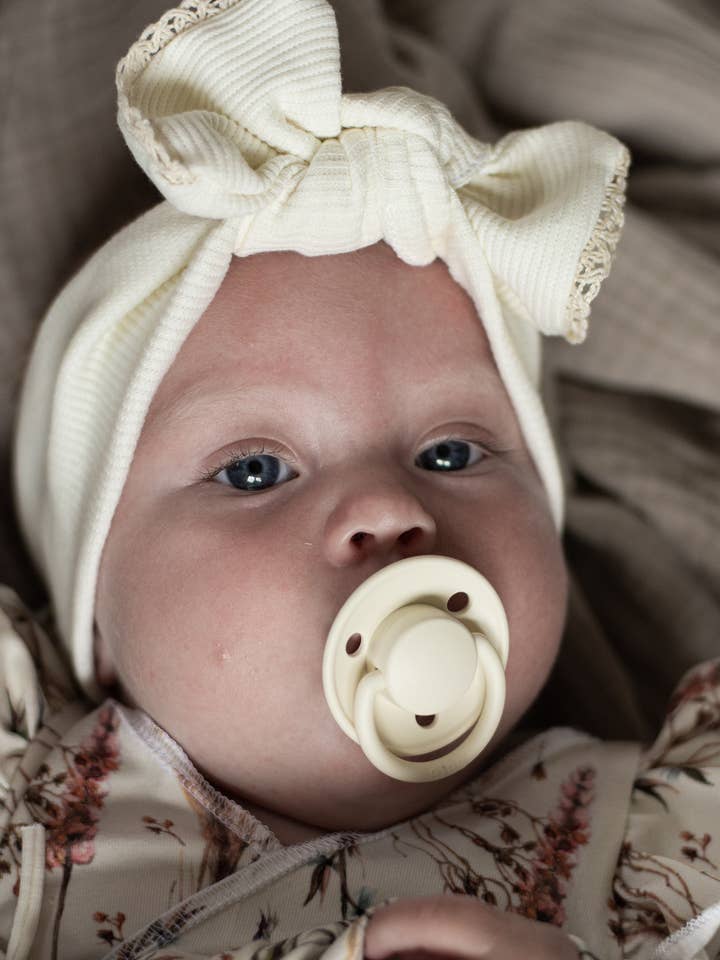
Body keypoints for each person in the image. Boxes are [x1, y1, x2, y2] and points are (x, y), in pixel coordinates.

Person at [1, 1, 719, 958]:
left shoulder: (655, 828)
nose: (391, 506)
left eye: (453, 454)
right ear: (92, 616)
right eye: (254, 470)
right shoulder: (27, 788)